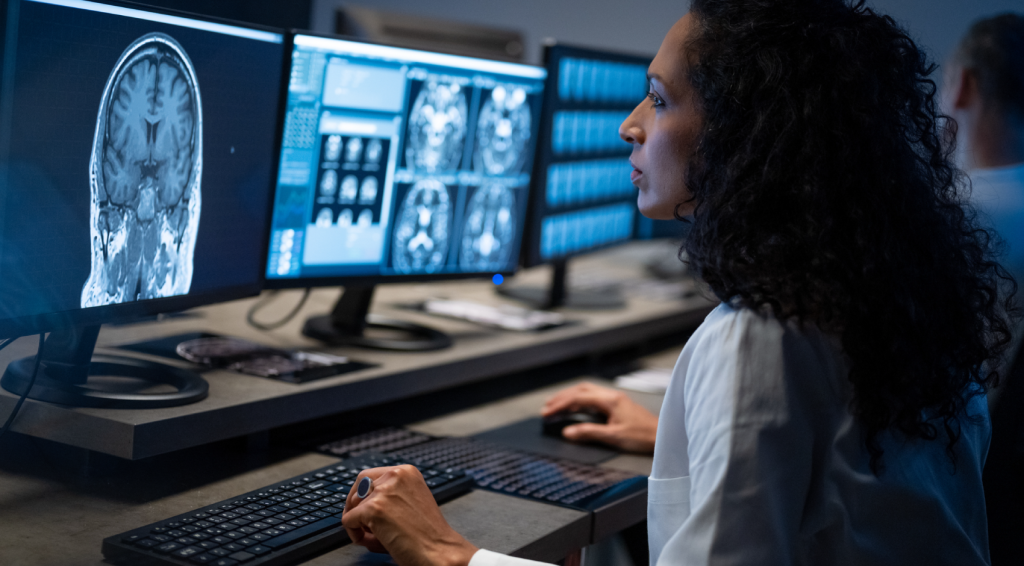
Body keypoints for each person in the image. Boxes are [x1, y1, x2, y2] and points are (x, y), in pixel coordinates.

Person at [340, 1, 1016, 565]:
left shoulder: (762, 334)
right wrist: (688, 432)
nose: (628, 125)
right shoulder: (890, 292)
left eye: (660, 101)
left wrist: (449, 552)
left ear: (749, 133)